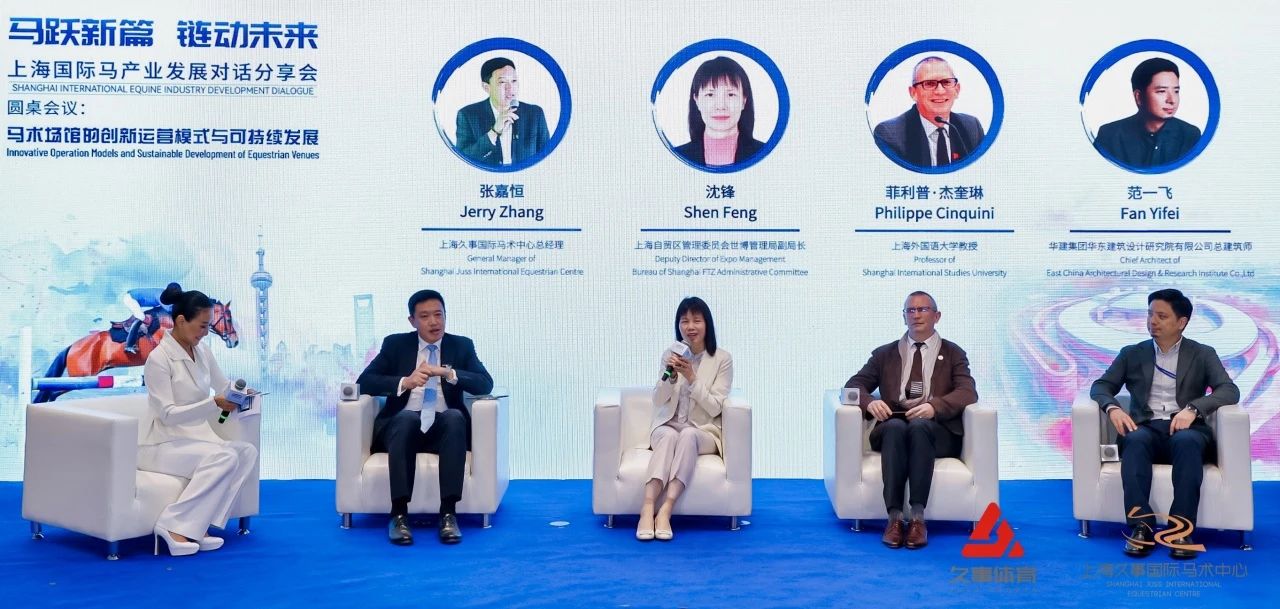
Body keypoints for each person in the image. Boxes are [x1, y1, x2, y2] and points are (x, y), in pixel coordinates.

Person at [1090, 288, 1239, 559]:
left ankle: (1180, 530)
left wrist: (1193, 409)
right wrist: (1113, 408)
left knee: (1188, 442)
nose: (1152, 321)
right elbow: (1101, 386)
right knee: (1134, 440)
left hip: (1187, 430)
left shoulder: (1202, 353)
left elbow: (1229, 390)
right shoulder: (1132, 353)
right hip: (1145, 428)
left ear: (1181, 322)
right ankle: (1141, 528)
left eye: (1161, 316)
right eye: (1150, 314)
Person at [356, 290, 493, 546]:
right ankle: (398, 515)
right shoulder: (395, 344)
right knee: (407, 418)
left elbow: (485, 383)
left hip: (443, 430)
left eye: (439, 315)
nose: (434, 322)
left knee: (454, 417)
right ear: (412, 321)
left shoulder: (461, 345)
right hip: (401, 428)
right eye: (425, 316)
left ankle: (448, 514)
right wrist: (404, 382)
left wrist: (449, 373)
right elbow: (364, 382)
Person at [844, 291, 977, 549]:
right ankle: (894, 519)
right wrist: (870, 402)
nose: (916, 315)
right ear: (904, 317)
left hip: (936, 431)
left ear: (937, 316)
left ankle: (917, 519)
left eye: (923, 309)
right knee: (895, 427)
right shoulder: (884, 354)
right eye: (911, 310)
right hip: (892, 427)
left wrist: (934, 407)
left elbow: (967, 392)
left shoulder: (953, 353)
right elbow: (853, 386)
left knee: (919, 427)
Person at [141, 283, 258, 557]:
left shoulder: (203, 351)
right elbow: (167, 415)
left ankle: (196, 524)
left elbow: (222, 385)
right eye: (202, 326)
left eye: (208, 326)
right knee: (225, 457)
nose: (206, 332)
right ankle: (172, 526)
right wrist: (213, 403)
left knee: (246, 452)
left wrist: (241, 393)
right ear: (181, 321)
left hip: (193, 440)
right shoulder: (158, 359)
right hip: (161, 444)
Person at [637, 297, 733, 541]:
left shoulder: (722, 359)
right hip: (667, 425)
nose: (690, 327)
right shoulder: (671, 354)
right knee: (669, 436)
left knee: (688, 434)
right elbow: (658, 399)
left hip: (703, 432)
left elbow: (715, 407)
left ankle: (666, 510)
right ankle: (647, 508)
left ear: (707, 324)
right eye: (684, 321)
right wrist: (670, 377)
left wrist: (691, 377)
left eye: (696, 321)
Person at [873, 56, 985, 168]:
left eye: (946, 82)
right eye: (930, 83)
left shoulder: (972, 128)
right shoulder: (890, 134)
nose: (940, 91)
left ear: (957, 90)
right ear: (913, 93)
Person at [1093, 57, 1202, 168]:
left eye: (1176, 91)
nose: (1171, 100)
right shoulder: (1110, 135)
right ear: (1139, 97)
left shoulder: (1190, 135)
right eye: (1162, 91)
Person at [454, 56, 551, 167]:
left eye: (514, 81)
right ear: (486, 87)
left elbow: (547, 158)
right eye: (502, 82)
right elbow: (463, 160)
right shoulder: (468, 115)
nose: (510, 88)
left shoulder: (535, 114)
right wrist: (494, 132)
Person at [673, 56, 766, 168]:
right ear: (696, 100)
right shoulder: (676, 157)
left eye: (731, 94)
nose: (721, 106)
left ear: (744, 100)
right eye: (710, 95)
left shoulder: (766, 155)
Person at [122, 285, 175, 354]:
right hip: (130, 298)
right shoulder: (160, 295)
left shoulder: (165, 294)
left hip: (132, 297)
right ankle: (129, 345)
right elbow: (169, 309)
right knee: (141, 317)